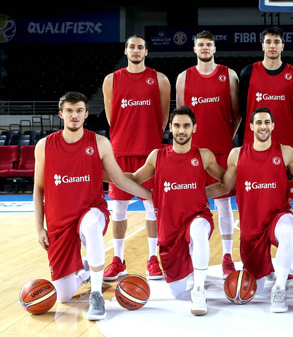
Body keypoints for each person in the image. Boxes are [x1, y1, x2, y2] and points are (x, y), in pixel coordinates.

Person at [33, 92, 152, 321]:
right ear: (61, 114)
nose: (74, 115)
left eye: (79, 110)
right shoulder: (44, 146)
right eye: (69, 111)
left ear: (86, 114)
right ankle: (85, 270)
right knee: (63, 295)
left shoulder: (99, 143)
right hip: (59, 222)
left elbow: (119, 179)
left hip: (91, 210)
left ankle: (96, 294)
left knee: (90, 226)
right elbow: (38, 189)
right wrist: (39, 228)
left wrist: (151, 197)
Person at [206, 107, 293, 313]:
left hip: (276, 219)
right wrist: (194, 193)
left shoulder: (285, 152)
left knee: (288, 227)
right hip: (251, 231)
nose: (263, 126)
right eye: (259, 122)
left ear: (273, 125)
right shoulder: (236, 155)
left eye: (267, 122)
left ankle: (279, 288)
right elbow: (225, 187)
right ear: (251, 126)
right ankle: (267, 270)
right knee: (256, 287)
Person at [123, 106, 225, 316]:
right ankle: (189, 265)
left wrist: (204, 191)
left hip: (197, 216)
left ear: (194, 128)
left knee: (199, 229)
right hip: (170, 231)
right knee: (177, 292)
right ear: (170, 127)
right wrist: (100, 172)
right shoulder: (157, 156)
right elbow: (134, 179)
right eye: (177, 125)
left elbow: (226, 181)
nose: (181, 130)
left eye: (186, 126)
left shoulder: (204, 156)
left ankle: (199, 289)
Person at [102, 35, 171, 282]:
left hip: (149, 153)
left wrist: (148, 137)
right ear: (126, 51)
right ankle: (118, 260)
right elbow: (111, 117)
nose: (136, 50)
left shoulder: (160, 79)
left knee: (152, 206)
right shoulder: (111, 80)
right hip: (121, 151)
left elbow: (163, 117)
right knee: (118, 208)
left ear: (146, 52)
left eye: (140, 47)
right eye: (132, 47)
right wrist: (124, 136)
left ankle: (153, 259)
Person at [176, 30, 241, 279]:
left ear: (215, 48)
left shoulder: (229, 75)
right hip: (193, 152)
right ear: (194, 49)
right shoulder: (184, 77)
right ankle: (192, 255)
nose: (205, 48)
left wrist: (227, 136)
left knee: (224, 203)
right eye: (201, 44)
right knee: (192, 204)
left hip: (222, 148)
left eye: (208, 44)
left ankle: (227, 256)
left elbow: (237, 113)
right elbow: (181, 116)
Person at [239, 26, 293, 199]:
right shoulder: (248, 73)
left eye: (276, 42)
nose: (272, 46)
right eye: (268, 42)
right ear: (262, 45)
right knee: (254, 193)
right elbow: (242, 110)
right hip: (254, 145)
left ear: (283, 45)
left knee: (284, 196)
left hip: (284, 143)